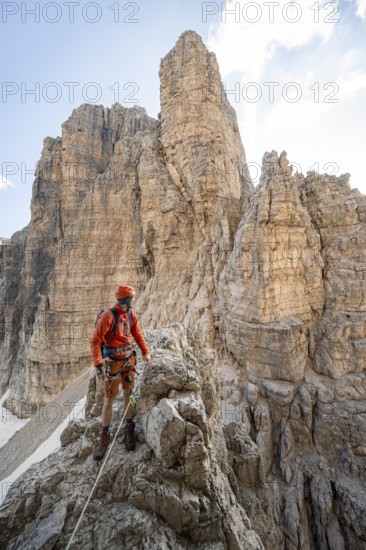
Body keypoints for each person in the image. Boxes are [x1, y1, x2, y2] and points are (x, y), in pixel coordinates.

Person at [90, 284, 151, 460]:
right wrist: (98, 364)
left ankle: (129, 427)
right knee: (109, 400)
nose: (134, 301)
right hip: (112, 364)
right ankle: (104, 436)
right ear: (126, 299)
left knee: (129, 394)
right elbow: (95, 341)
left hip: (128, 360)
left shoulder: (131, 315)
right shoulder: (108, 317)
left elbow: (137, 334)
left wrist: (145, 352)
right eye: (132, 298)